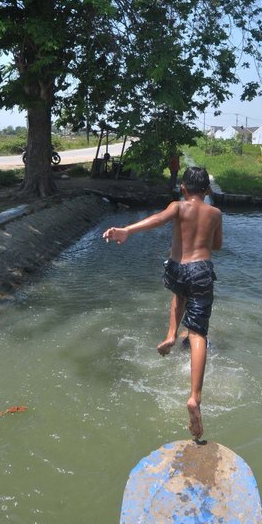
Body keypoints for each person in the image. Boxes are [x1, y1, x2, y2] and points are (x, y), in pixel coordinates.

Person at [102, 166, 222, 440]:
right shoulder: (215, 213)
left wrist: (127, 230)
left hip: (176, 267)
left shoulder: (178, 207)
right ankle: (194, 397)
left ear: (183, 188)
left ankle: (170, 335)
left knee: (178, 296)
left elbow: (156, 219)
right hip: (200, 268)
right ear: (207, 190)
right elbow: (217, 245)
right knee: (198, 333)